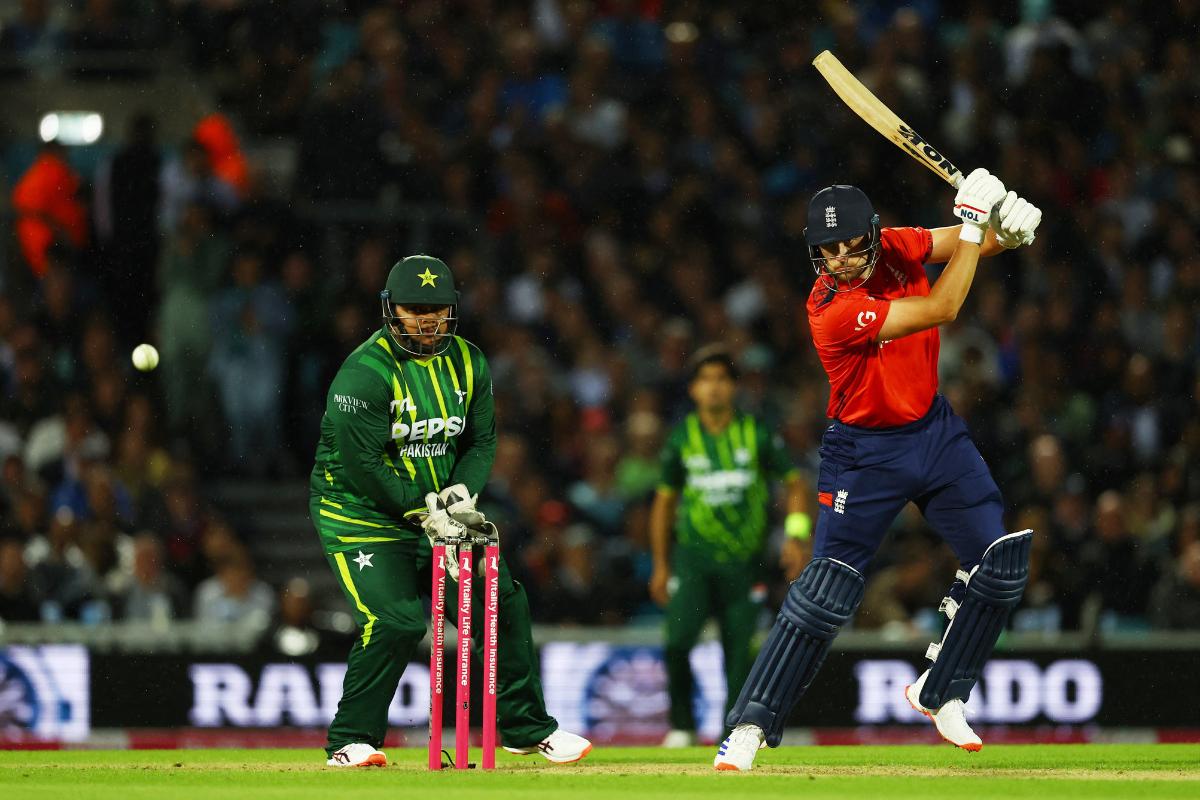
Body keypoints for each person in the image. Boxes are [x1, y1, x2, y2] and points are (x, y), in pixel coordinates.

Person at [714, 170, 1043, 770]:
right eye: (828, 251)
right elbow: (945, 305)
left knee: (1002, 564)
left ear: (871, 234)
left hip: (934, 432)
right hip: (863, 453)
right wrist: (976, 223)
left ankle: (942, 691)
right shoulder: (830, 310)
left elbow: (970, 245)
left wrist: (1007, 232)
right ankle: (750, 727)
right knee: (825, 596)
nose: (841, 260)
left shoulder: (898, 243)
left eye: (850, 246)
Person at [311, 254, 591, 768]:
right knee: (395, 622)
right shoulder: (363, 374)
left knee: (501, 598)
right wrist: (424, 509)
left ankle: (527, 729)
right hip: (361, 515)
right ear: (390, 310)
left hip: (438, 510)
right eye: (415, 309)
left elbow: (482, 440)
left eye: (436, 308)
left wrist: (459, 496)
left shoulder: (469, 361)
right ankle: (350, 740)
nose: (427, 319)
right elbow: (367, 466)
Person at [650, 345, 810, 748]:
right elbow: (664, 502)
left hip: (746, 562)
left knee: (739, 655)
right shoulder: (682, 437)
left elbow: (795, 483)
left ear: (734, 387)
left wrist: (794, 535)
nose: (715, 388)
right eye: (706, 380)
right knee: (675, 643)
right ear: (693, 390)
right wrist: (660, 564)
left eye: (722, 379)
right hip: (694, 560)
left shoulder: (755, 433)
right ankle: (682, 726)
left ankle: (735, 733)